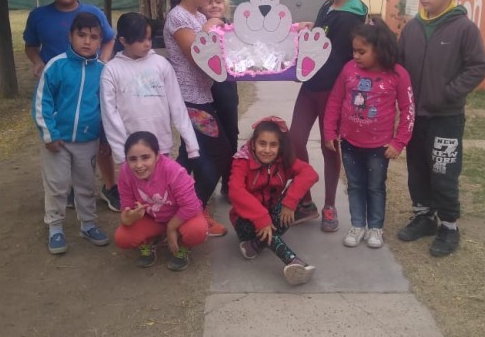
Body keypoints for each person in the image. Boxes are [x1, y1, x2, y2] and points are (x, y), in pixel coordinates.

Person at [396, 0, 485, 257]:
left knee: (443, 171)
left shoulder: (464, 29)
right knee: (417, 169)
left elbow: (477, 67)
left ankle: (449, 226)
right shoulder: (412, 28)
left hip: (446, 117)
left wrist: (449, 93)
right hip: (415, 117)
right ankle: (424, 217)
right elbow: (398, 65)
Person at [289, 0, 375, 232]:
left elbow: (338, 58)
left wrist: (306, 62)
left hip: (331, 92)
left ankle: (329, 206)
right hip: (310, 85)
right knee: (295, 140)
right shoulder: (329, 5)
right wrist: (310, 30)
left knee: (330, 147)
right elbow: (320, 38)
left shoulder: (352, 16)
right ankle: (305, 201)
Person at [23, 0, 118, 211]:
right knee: (61, 138)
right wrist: (37, 62)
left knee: (97, 136)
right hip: (59, 89)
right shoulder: (38, 16)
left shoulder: (93, 13)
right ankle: (68, 189)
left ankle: (110, 186)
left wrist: (103, 64)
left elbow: (109, 39)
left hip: (89, 84)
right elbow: (30, 46)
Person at [323, 22, 415, 248]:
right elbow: (335, 100)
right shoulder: (348, 70)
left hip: (379, 147)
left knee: (375, 187)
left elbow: (408, 110)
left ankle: (375, 228)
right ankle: (357, 225)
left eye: (361, 51)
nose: (355, 56)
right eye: (354, 50)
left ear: (379, 49)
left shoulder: (398, 74)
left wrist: (399, 142)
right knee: (355, 185)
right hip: (350, 143)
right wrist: (329, 131)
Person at [32, 12, 110, 255]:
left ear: (100, 41)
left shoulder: (103, 71)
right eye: (81, 35)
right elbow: (42, 102)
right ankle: (55, 227)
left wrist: (106, 137)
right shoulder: (56, 66)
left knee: (86, 185)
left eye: (94, 37)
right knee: (56, 185)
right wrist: (50, 134)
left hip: (88, 140)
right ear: (70, 36)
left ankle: (88, 225)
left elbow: (108, 107)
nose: (87, 41)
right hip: (58, 141)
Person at [164, 0, 233, 237]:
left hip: (202, 96)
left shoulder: (196, 16)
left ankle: (167, 205)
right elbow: (196, 54)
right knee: (220, 153)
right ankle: (195, 209)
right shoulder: (178, 17)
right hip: (190, 99)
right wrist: (211, 25)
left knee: (188, 156)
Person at [100, 12, 199, 165]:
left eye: (149, 38)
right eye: (141, 40)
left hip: (161, 145)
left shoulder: (161, 64)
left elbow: (177, 105)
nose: (147, 44)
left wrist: (191, 145)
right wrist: (120, 152)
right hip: (132, 151)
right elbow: (110, 115)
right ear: (123, 40)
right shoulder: (111, 70)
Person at [228, 116, 319, 285]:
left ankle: (254, 245)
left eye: (273, 145)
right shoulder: (242, 161)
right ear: (253, 144)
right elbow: (235, 191)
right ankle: (293, 261)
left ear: (280, 146)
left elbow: (310, 174)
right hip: (246, 221)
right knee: (258, 221)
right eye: (262, 144)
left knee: (295, 195)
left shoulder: (283, 160)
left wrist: (289, 203)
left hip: (271, 217)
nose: (267, 150)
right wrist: (261, 218)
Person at [113, 131, 209, 271]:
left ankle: (183, 246)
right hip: (152, 218)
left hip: (180, 217)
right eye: (132, 159)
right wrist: (129, 218)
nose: (139, 165)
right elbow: (126, 210)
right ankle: (152, 239)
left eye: (145, 157)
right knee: (122, 238)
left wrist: (171, 228)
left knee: (197, 231)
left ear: (157, 156)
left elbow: (191, 206)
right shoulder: (125, 172)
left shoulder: (173, 171)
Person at [200, 0, 239, 203]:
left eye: (219, 1)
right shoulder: (199, 29)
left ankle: (228, 182)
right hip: (205, 91)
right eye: (210, 2)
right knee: (209, 140)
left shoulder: (232, 29)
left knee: (230, 136)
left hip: (227, 91)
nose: (214, 5)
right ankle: (204, 183)